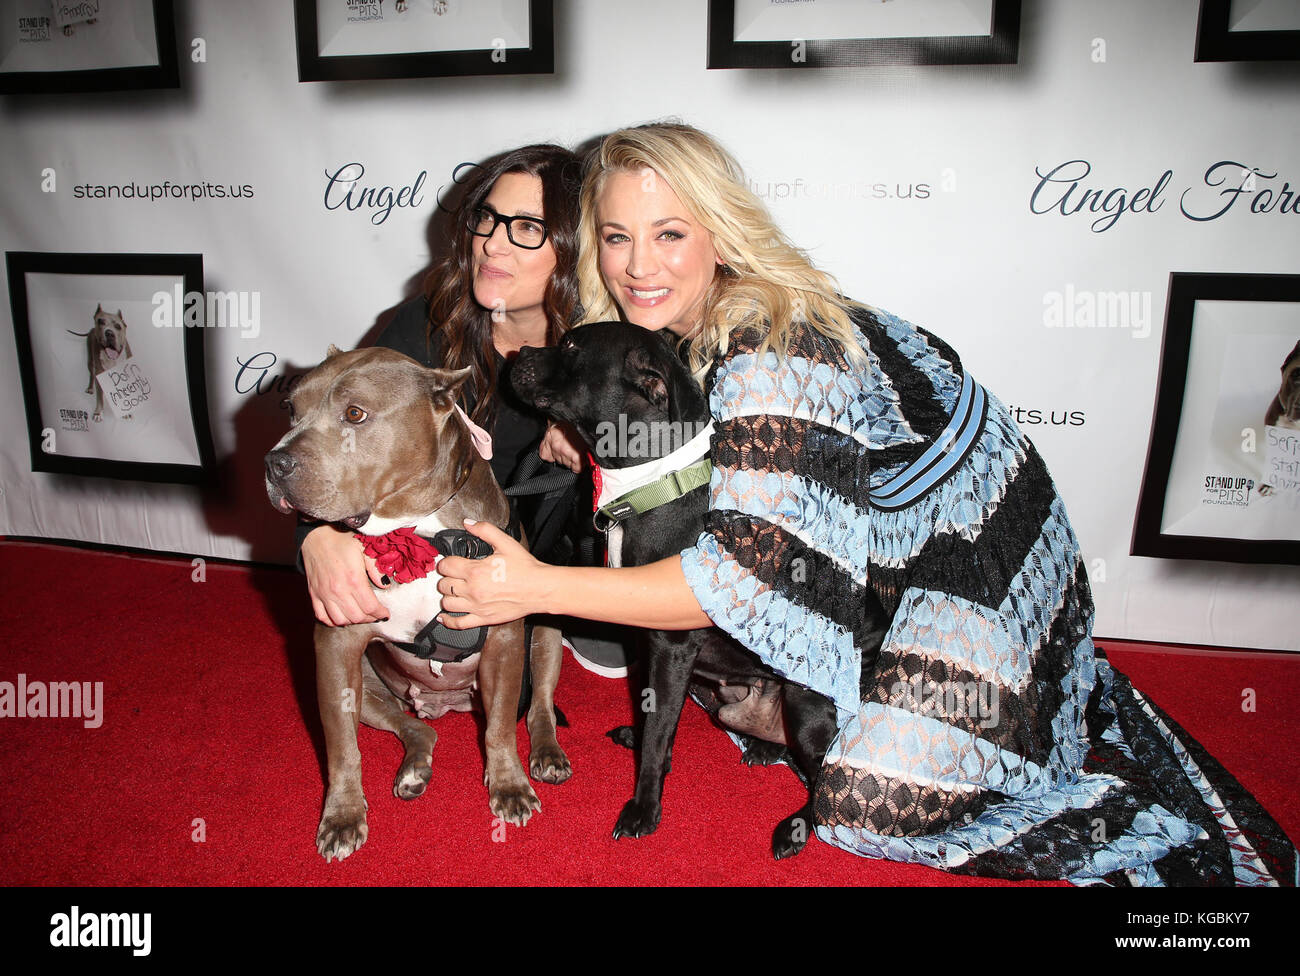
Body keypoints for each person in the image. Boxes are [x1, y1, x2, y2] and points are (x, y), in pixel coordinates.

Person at [434, 122, 1295, 885]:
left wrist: (532, 587)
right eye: (616, 237)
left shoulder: (769, 347)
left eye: (669, 233)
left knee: (868, 800)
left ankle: (1034, 689)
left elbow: (733, 583)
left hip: (968, 553)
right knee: (754, 679)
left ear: (720, 232)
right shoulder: (668, 330)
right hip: (862, 557)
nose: (637, 265)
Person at [297, 143, 585, 628]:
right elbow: (331, 437)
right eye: (488, 218)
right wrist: (315, 537)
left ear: (577, 249)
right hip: (442, 556)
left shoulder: (603, 347)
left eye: (529, 228)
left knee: (524, 691)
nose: (493, 243)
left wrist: (591, 436)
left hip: (560, 567)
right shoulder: (428, 325)